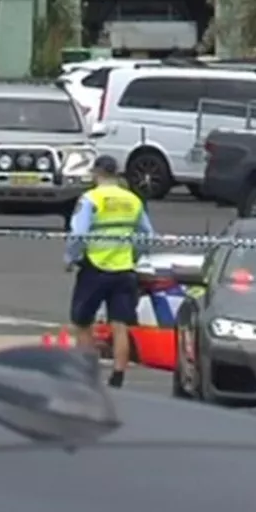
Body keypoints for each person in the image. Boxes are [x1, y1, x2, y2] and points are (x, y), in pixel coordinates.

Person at [64, 156, 155, 388]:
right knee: (119, 326)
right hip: (124, 268)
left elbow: (79, 235)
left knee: (83, 322)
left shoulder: (91, 199)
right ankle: (118, 375)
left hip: (95, 267)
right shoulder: (133, 200)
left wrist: (71, 258)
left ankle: (86, 373)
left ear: (96, 173)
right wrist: (134, 255)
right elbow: (147, 235)